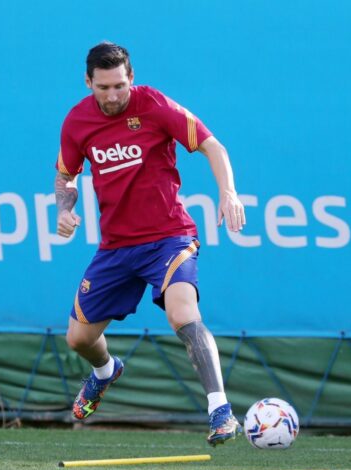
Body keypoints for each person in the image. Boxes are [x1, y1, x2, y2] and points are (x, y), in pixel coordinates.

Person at [54, 41, 246, 446]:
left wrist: (228, 192)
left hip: (169, 237)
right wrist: (64, 207)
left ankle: (220, 411)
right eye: (103, 87)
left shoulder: (154, 104)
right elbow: (66, 175)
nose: (112, 96)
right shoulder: (76, 122)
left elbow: (213, 145)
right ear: (88, 82)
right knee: (78, 339)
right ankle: (106, 372)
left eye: (119, 86)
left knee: (182, 314)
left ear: (131, 78)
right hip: (116, 247)